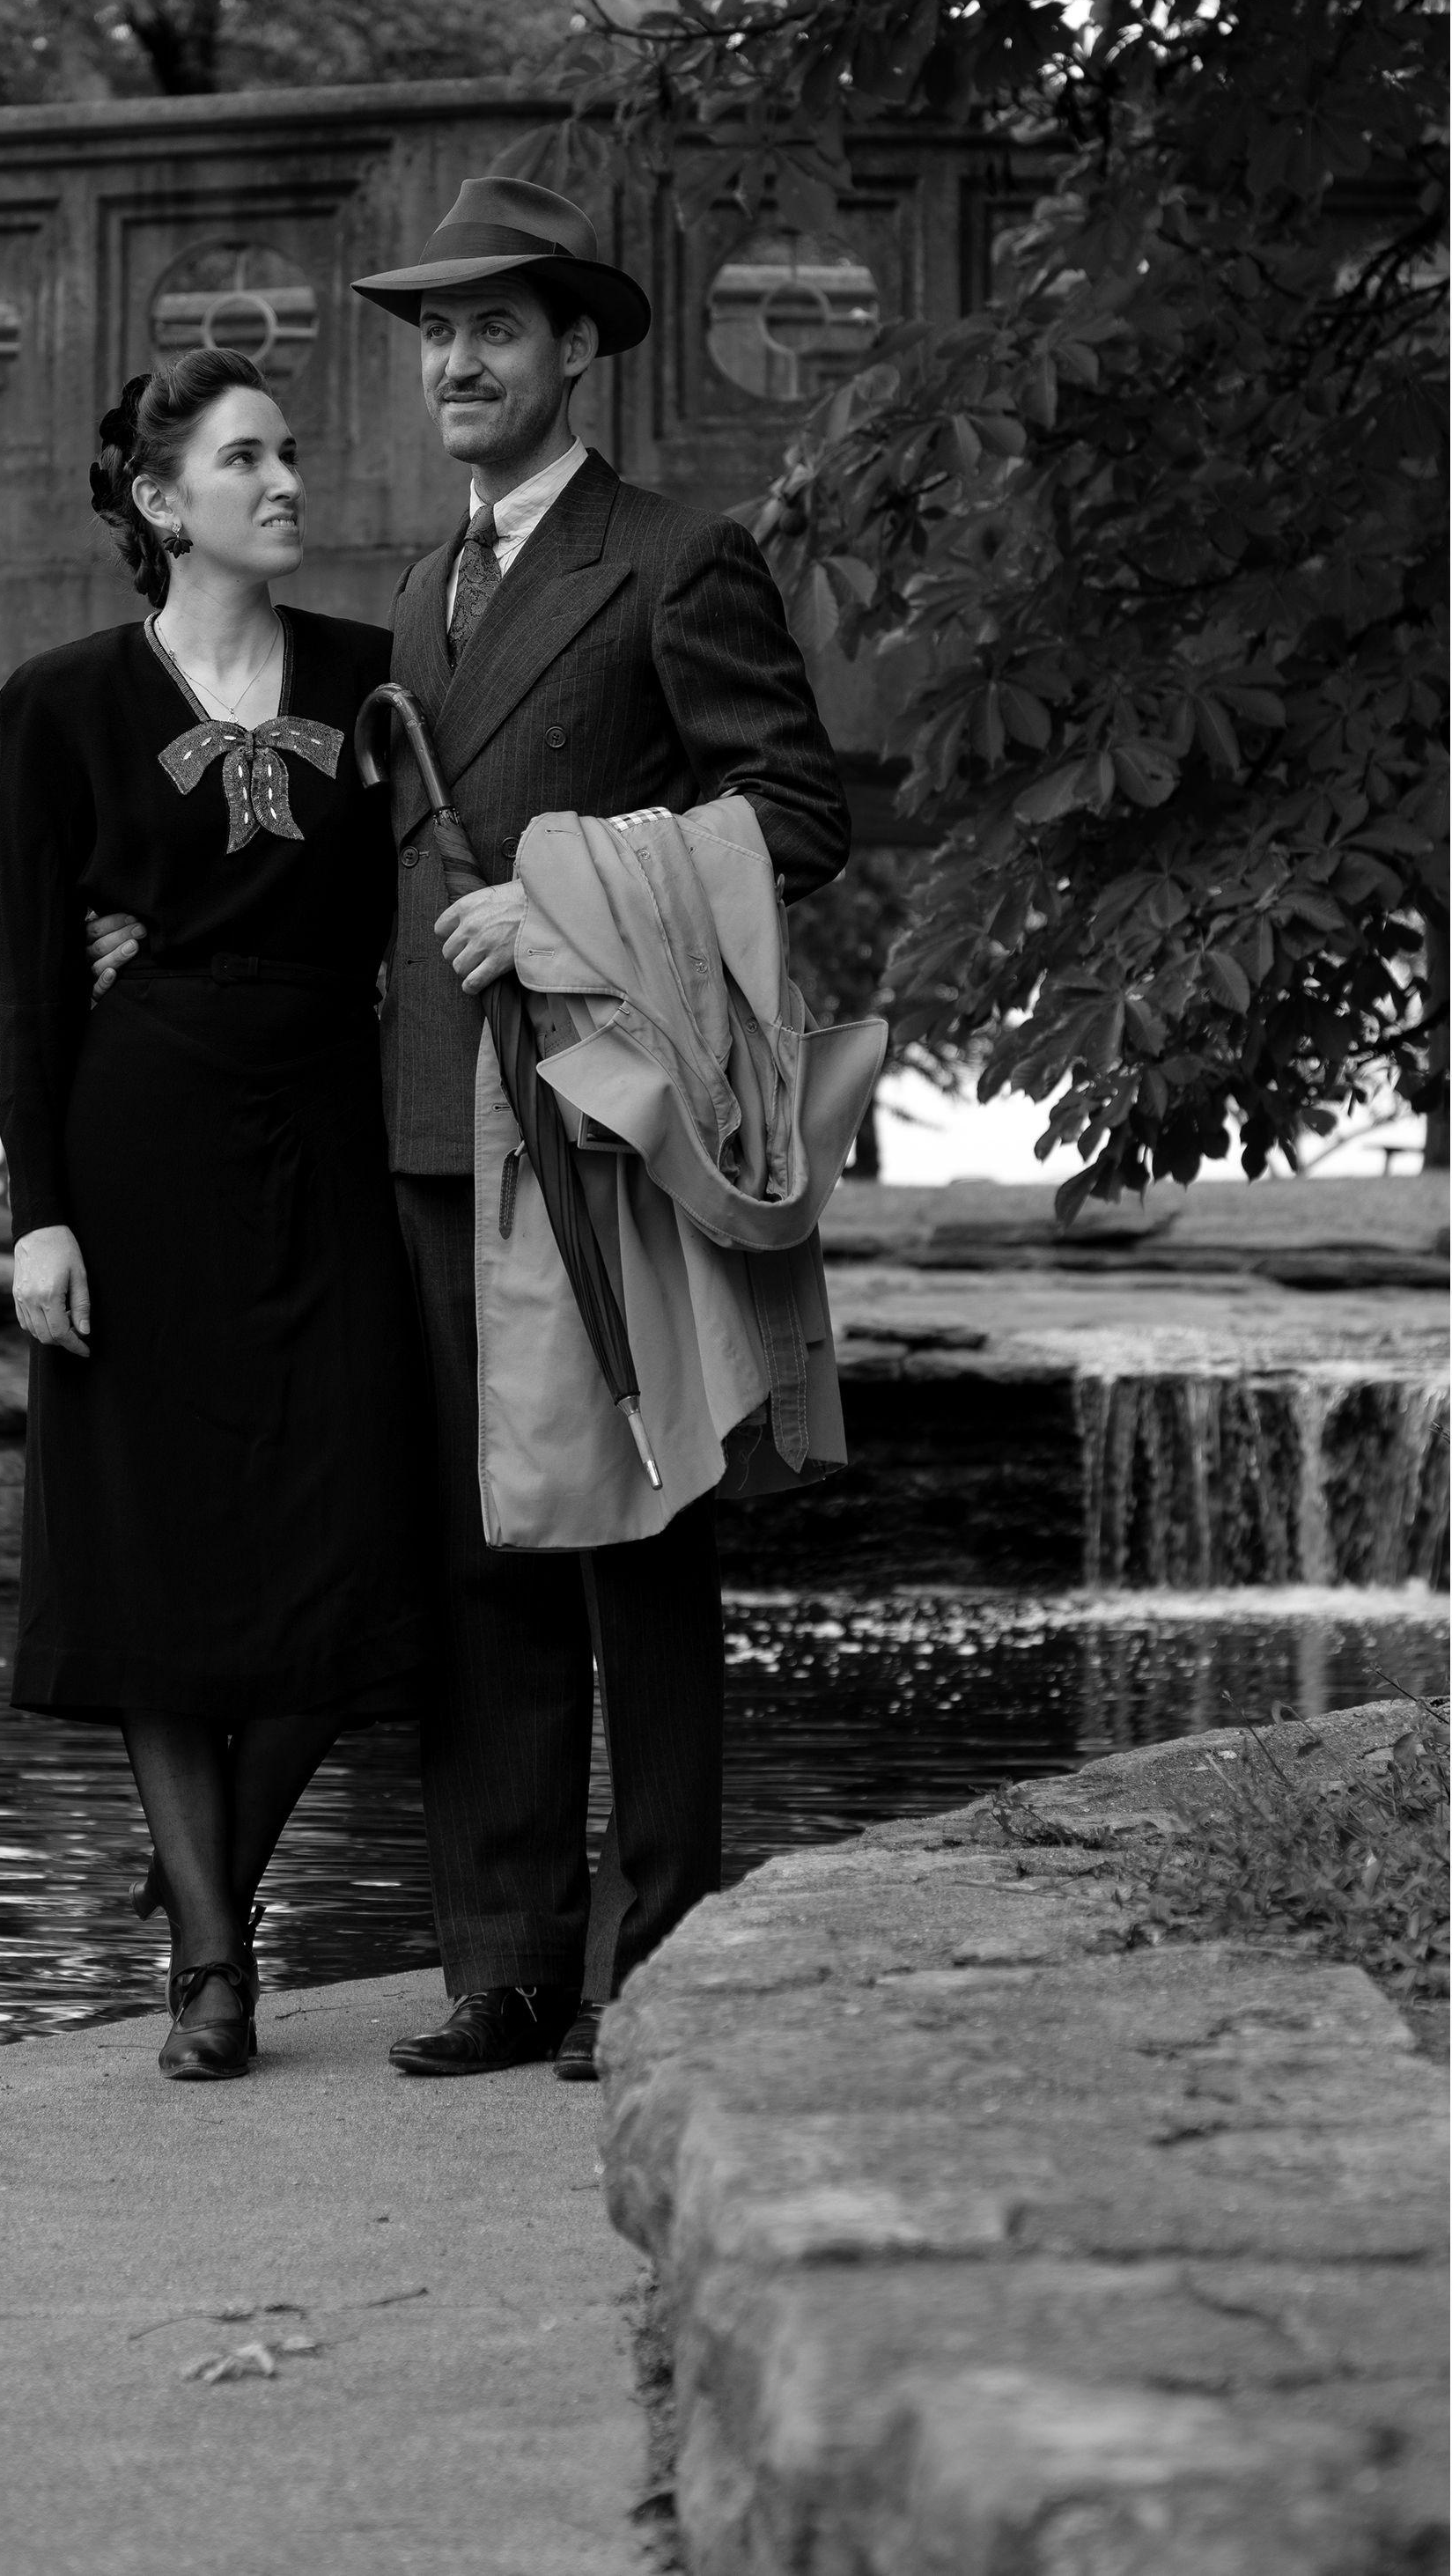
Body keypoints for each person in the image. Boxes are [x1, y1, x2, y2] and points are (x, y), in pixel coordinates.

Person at [351, 177, 851, 2081]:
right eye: (435, 333)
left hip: (599, 1120)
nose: (457, 362)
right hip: (430, 1125)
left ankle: (652, 1958)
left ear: (574, 348)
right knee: (480, 1546)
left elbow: (795, 813)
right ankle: (505, 1961)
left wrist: (563, 910)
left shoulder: (672, 558)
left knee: (634, 1537)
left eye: (494, 327)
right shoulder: (419, 590)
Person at [0, 346, 431, 2083]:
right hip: (141, 1134)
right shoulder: (62, 702)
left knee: (360, 1529)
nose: (285, 479)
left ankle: (207, 1886)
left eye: (289, 451)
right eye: (245, 458)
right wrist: (39, 1215)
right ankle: (211, 1967)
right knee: (154, 1547)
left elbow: (431, 894)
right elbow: (33, 975)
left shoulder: (379, 677)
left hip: (328, 1122)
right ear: (162, 501)